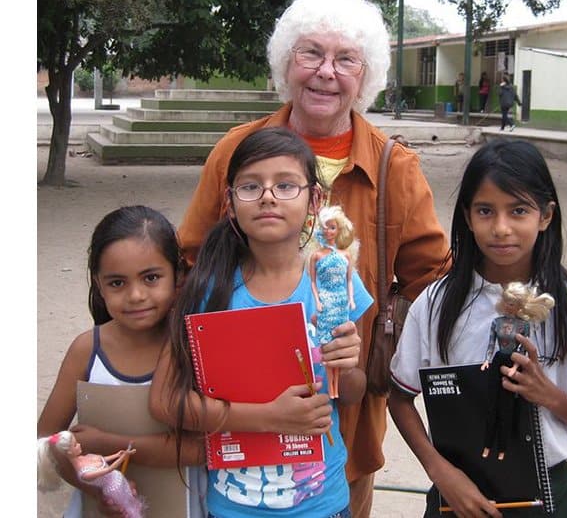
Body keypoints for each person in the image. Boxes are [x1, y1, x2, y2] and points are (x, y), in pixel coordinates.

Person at [175, 0, 449, 514]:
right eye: (311, 54)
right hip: (238, 424)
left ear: (364, 76)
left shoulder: (397, 168)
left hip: (346, 417)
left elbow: (433, 280)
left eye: (346, 59)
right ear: (286, 63)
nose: (327, 72)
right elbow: (189, 261)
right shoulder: (235, 152)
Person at [150, 127, 374, 517]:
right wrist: (267, 417)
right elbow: (166, 401)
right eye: (251, 187)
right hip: (235, 505)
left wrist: (346, 366)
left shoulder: (334, 277)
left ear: (314, 200)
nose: (268, 196)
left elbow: (352, 392)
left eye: (286, 185)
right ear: (230, 202)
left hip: (324, 503)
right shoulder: (210, 288)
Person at [388, 139, 567, 518]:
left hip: (544, 492)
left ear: (545, 215)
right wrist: (441, 472)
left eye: (518, 210)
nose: (501, 228)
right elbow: (400, 397)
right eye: (486, 211)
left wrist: (547, 393)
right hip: (455, 489)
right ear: (468, 217)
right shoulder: (436, 303)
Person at [37, 205, 205, 518]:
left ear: (178, 275)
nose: (136, 295)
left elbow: (205, 449)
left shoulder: (194, 346)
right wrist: (97, 488)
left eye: (151, 277)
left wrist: (109, 442)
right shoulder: (87, 349)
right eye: (117, 283)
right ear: (98, 286)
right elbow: (47, 439)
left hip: (185, 506)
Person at [480, 282, 555, 461]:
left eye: (512, 303)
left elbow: (522, 348)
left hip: (514, 360)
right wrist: (486, 360)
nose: (508, 306)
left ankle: (502, 448)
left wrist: (515, 367)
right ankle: (487, 444)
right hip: (498, 359)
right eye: (506, 302)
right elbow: (491, 343)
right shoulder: (496, 322)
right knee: (491, 406)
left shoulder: (523, 326)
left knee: (506, 408)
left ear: (519, 305)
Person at [310, 205, 361, 399]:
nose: (268, 197)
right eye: (325, 227)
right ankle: (332, 388)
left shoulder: (345, 256)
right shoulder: (316, 257)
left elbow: (357, 383)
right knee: (327, 349)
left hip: (341, 304)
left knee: (335, 354)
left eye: (332, 227)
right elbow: (314, 283)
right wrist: (318, 301)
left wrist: (350, 300)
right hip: (325, 301)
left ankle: (333, 390)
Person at [38, 431, 144, 518]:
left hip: (119, 479)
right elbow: (109, 469)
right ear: (69, 452)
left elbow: (103, 459)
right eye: (75, 445)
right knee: (128, 511)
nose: (79, 445)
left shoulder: (87, 457)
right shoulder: (84, 473)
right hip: (113, 488)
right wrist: (123, 456)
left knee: (133, 503)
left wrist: (117, 454)